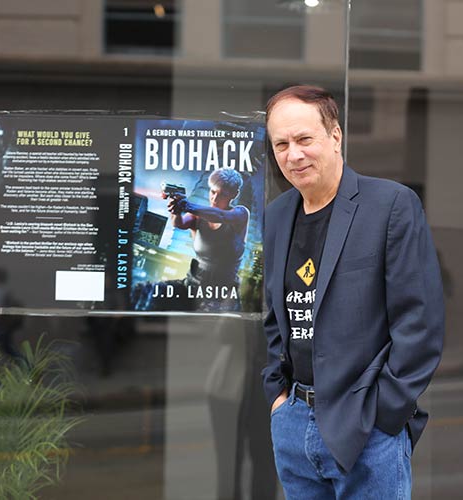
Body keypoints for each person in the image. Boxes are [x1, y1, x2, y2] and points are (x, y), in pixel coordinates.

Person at [261, 85, 445, 499]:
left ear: (336, 136)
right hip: (293, 423)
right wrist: (278, 397)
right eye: (282, 144)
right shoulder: (276, 217)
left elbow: (421, 323)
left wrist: (384, 413)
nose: (294, 154)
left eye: (305, 139)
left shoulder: (391, 205)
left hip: (366, 429)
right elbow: (275, 316)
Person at [165, 168, 250, 311]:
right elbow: (178, 223)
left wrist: (186, 205)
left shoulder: (240, 214)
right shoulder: (198, 215)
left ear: (234, 195)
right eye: (213, 192)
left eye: (222, 194)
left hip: (223, 294)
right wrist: (176, 209)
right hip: (194, 285)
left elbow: (221, 216)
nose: (215, 199)